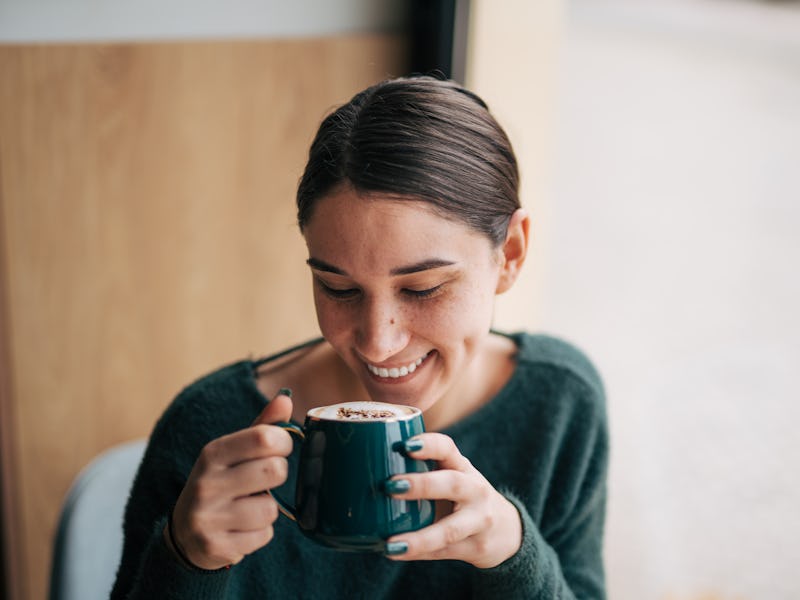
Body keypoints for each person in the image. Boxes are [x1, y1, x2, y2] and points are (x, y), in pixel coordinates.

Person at [110, 75, 608, 599]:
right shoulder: (210, 427)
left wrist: (514, 550)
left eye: (422, 288)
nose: (377, 343)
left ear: (509, 254)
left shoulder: (559, 404)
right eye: (338, 288)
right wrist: (185, 558)